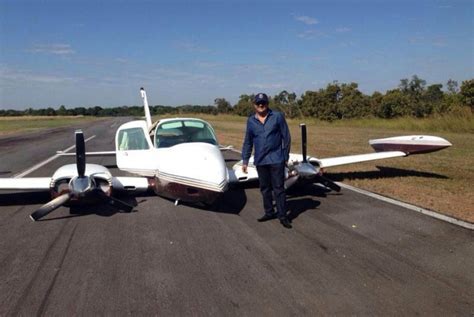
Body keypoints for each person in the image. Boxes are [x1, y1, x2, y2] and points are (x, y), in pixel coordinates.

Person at [241, 93, 292, 229]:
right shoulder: (251, 121)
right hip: (261, 160)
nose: (261, 105)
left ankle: (283, 216)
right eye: (258, 103)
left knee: (279, 188)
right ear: (254, 105)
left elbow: (286, 137)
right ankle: (269, 212)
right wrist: (245, 160)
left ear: (267, 104)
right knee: (265, 188)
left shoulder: (277, 117)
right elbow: (248, 142)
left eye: (263, 103)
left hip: (276, 159)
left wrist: (285, 157)